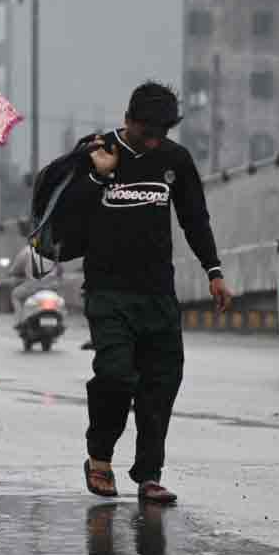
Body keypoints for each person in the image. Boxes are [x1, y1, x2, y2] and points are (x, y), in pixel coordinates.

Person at [74, 81, 232, 504]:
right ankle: (100, 458)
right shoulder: (95, 151)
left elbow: (195, 218)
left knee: (161, 382)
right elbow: (67, 211)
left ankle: (149, 474)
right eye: (148, 130)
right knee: (115, 374)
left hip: (158, 293)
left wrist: (213, 270)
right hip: (108, 292)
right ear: (128, 120)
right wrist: (96, 175)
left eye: (162, 130)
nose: (155, 139)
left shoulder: (174, 159)